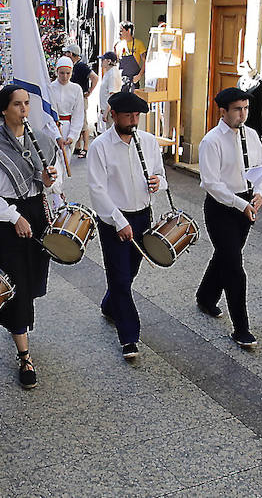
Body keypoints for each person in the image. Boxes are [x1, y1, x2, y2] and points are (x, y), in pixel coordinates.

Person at [0, 85, 60, 388]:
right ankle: (24, 355)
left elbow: (53, 181)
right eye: (17, 104)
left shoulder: (41, 140)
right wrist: (14, 217)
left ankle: (19, 324)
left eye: (26, 103)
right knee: (17, 285)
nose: (24, 109)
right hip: (6, 220)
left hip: (35, 213)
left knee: (32, 278)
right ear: (4, 109)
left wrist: (50, 180)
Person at [88, 91, 166, 360]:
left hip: (142, 216)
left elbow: (161, 177)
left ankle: (110, 306)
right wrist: (119, 221)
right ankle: (129, 338)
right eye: (128, 116)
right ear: (114, 115)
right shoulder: (100, 147)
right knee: (120, 277)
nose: (133, 121)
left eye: (137, 116)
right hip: (113, 219)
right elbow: (97, 191)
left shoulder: (148, 142)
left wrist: (158, 182)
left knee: (130, 272)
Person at [196, 87, 262, 348]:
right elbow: (211, 184)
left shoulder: (251, 135)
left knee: (226, 255)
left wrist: (260, 193)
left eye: (246, 108)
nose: (243, 114)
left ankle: (205, 297)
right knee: (234, 267)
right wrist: (240, 204)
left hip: (245, 206)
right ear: (223, 111)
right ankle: (241, 328)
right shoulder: (211, 141)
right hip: (221, 208)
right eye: (238, 109)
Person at [48, 56, 85, 167]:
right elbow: (49, 113)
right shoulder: (50, 88)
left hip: (68, 127)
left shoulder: (76, 89)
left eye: (68, 73)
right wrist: (56, 135)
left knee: (65, 163)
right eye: (62, 73)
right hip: (53, 127)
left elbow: (78, 114)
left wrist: (72, 135)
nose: (65, 76)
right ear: (57, 71)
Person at [65, 42, 98, 157]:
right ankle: (78, 146)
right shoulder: (73, 66)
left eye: (68, 53)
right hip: (74, 98)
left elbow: (95, 77)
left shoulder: (81, 66)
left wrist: (89, 91)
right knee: (77, 121)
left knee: (83, 123)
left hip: (81, 97)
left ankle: (85, 147)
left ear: (72, 54)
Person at [114, 21, 146, 91]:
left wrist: (139, 75)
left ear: (128, 31)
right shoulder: (118, 45)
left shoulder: (139, 44)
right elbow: (116, 63)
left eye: (121, 30)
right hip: (121, 81)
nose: (120, 33)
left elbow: (145, 62)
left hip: (134, 82)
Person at [98, 51, 121, 132]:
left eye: (103, 60)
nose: (101, 62)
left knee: (112, 133)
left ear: (108, 61)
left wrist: (106, 112)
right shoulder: (109, 72)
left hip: (111, 111)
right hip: (107, 109)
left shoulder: (112, 74)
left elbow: (113, 95)